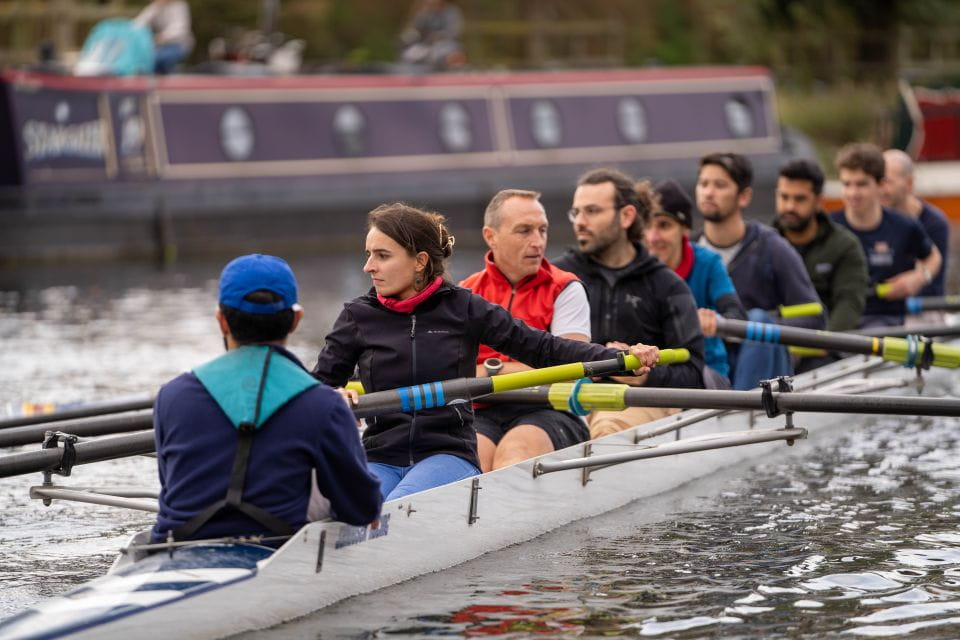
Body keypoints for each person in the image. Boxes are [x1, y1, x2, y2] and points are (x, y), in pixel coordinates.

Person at [313, 203, 660, 501]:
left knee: (394, 507)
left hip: (446, 453)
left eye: (382, 256)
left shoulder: (463, 308)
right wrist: (329, 396)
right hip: (379, 455)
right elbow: (314, 386)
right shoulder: (358, 316)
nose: (368, 266)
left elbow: (544, 348)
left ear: (419, 261)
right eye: (368, 255)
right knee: (347, 508)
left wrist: (619, 360)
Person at [152, 254, 382, 544]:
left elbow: (170, 487)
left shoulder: (172, 395)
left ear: (221, 321)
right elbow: (362, 509)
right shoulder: (324, 403)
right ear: (295, 320)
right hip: (276, 548)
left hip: (176, 544)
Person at [554, 168, 705, 438]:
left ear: (626, 216)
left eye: (592, 211)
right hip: (574, 395)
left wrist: (645, 375)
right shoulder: (558, 277)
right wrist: (597, 358)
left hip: (639, 398)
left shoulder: (667, 286)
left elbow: (693, 374)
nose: (579, 222)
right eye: (576, 213)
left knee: (606, 428)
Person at [459, 189, 593, 471]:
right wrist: (520, 371)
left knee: (514, 456)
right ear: (490, 236)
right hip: (482, 413)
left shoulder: (566, 289)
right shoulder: (465, 293)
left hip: (550, 409)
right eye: (524, 231)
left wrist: (489, 371)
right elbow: (449, 372)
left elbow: (570, 373)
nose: (537, 242)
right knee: (474, 462)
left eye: (542, 230)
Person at [694, 152, 824, 390]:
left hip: (763, 364)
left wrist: (739, 325)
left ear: (744, 197)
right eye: (703, 184)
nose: (708, 192)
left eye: (720, 185)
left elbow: (815, 318)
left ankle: (742, 410)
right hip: (710, 369)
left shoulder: (772, 248)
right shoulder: (688, 252)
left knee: (759, 321)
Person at [645, 179, 746, 389]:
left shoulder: (708, 263)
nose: (653, 237)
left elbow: (736, 313)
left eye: (664, 225)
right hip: (653, 373)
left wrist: (714, 319)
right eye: (647, 226)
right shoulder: (634, 267)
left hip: (706, 372)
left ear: (685, 229)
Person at [831, 143, 941, 328]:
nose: (852, 193)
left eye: (861, 184)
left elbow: (933, 256)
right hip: (837, 321)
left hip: (886, 323)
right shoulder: (828, 228)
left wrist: (919, 277)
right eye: (846, 184)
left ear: (880, 185)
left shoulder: (904, 226)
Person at [773, 159, 869, 332]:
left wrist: (823, 344)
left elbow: (849, 304)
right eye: (784, 197)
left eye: (799, 199)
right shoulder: (761, 243)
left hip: (825, 348)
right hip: (773, 345)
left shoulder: (844, 245)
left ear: (818, 202)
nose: (789, 206)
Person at [882, 149, 950, 299]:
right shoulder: (875, 219)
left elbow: (933, 284)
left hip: (921, 309)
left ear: (909, 183)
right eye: (878, 181)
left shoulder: (933, 223)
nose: (881, 189)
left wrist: (918, 279)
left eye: (887, 182)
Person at [399, 0, 465, 70]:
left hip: (446, 45)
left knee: (446, 54)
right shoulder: (425, 12)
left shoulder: (452, 13)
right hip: (425, 45)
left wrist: (439, 36)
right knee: (410, 55)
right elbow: (417, 29)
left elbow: (453, 31)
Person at [134, 0, 194, 74]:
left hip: (179, 44)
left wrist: (162, 36)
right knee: (149, 59)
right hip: (160, 46)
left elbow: (181, 28)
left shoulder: (179, 6)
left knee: (160, 59)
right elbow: (138, 24)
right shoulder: (155, 7)